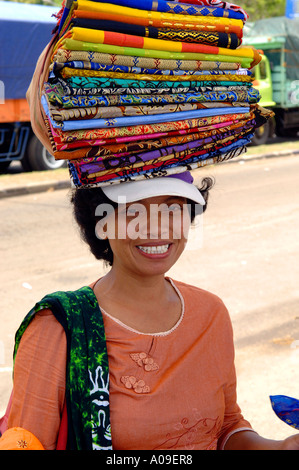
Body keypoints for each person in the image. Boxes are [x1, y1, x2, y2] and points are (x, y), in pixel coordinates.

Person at [1, 171, 299, 451]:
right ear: (101, 222)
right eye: (133, 210)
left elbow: (226, 426)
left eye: (172, 209)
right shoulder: (58, 328)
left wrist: (281, 446)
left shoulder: (211, 314)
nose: (157, 227)